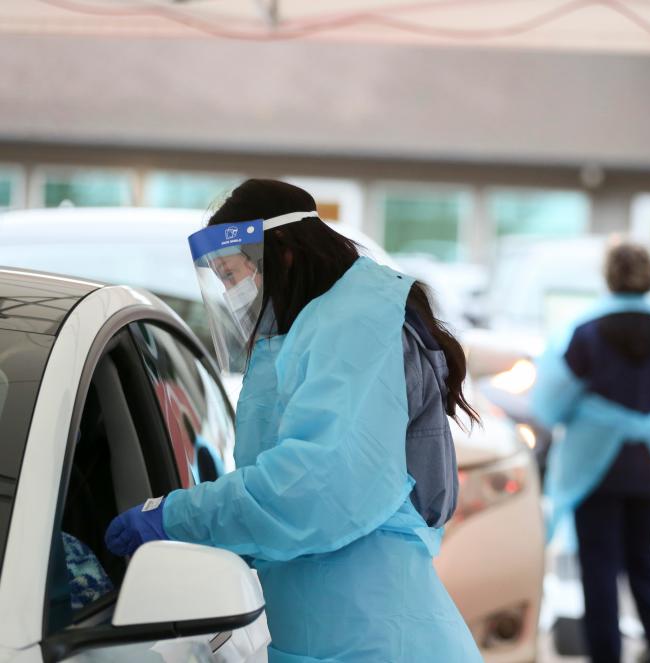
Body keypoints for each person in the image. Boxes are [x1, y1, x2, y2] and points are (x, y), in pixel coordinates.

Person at [103, 179, 483, 663]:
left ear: (280, 253)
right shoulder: (323, 325)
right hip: (339, 632)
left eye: (232, 273)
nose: (230, 292)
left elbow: (313, 487)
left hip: (378, 639)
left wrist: (176, 517)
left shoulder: (354, 325)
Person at [532, 241, 650, 663]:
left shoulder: (583, 333)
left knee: (598, 574)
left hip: (592, 471)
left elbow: (548, 405)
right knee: (646, 567)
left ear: (608, 277)